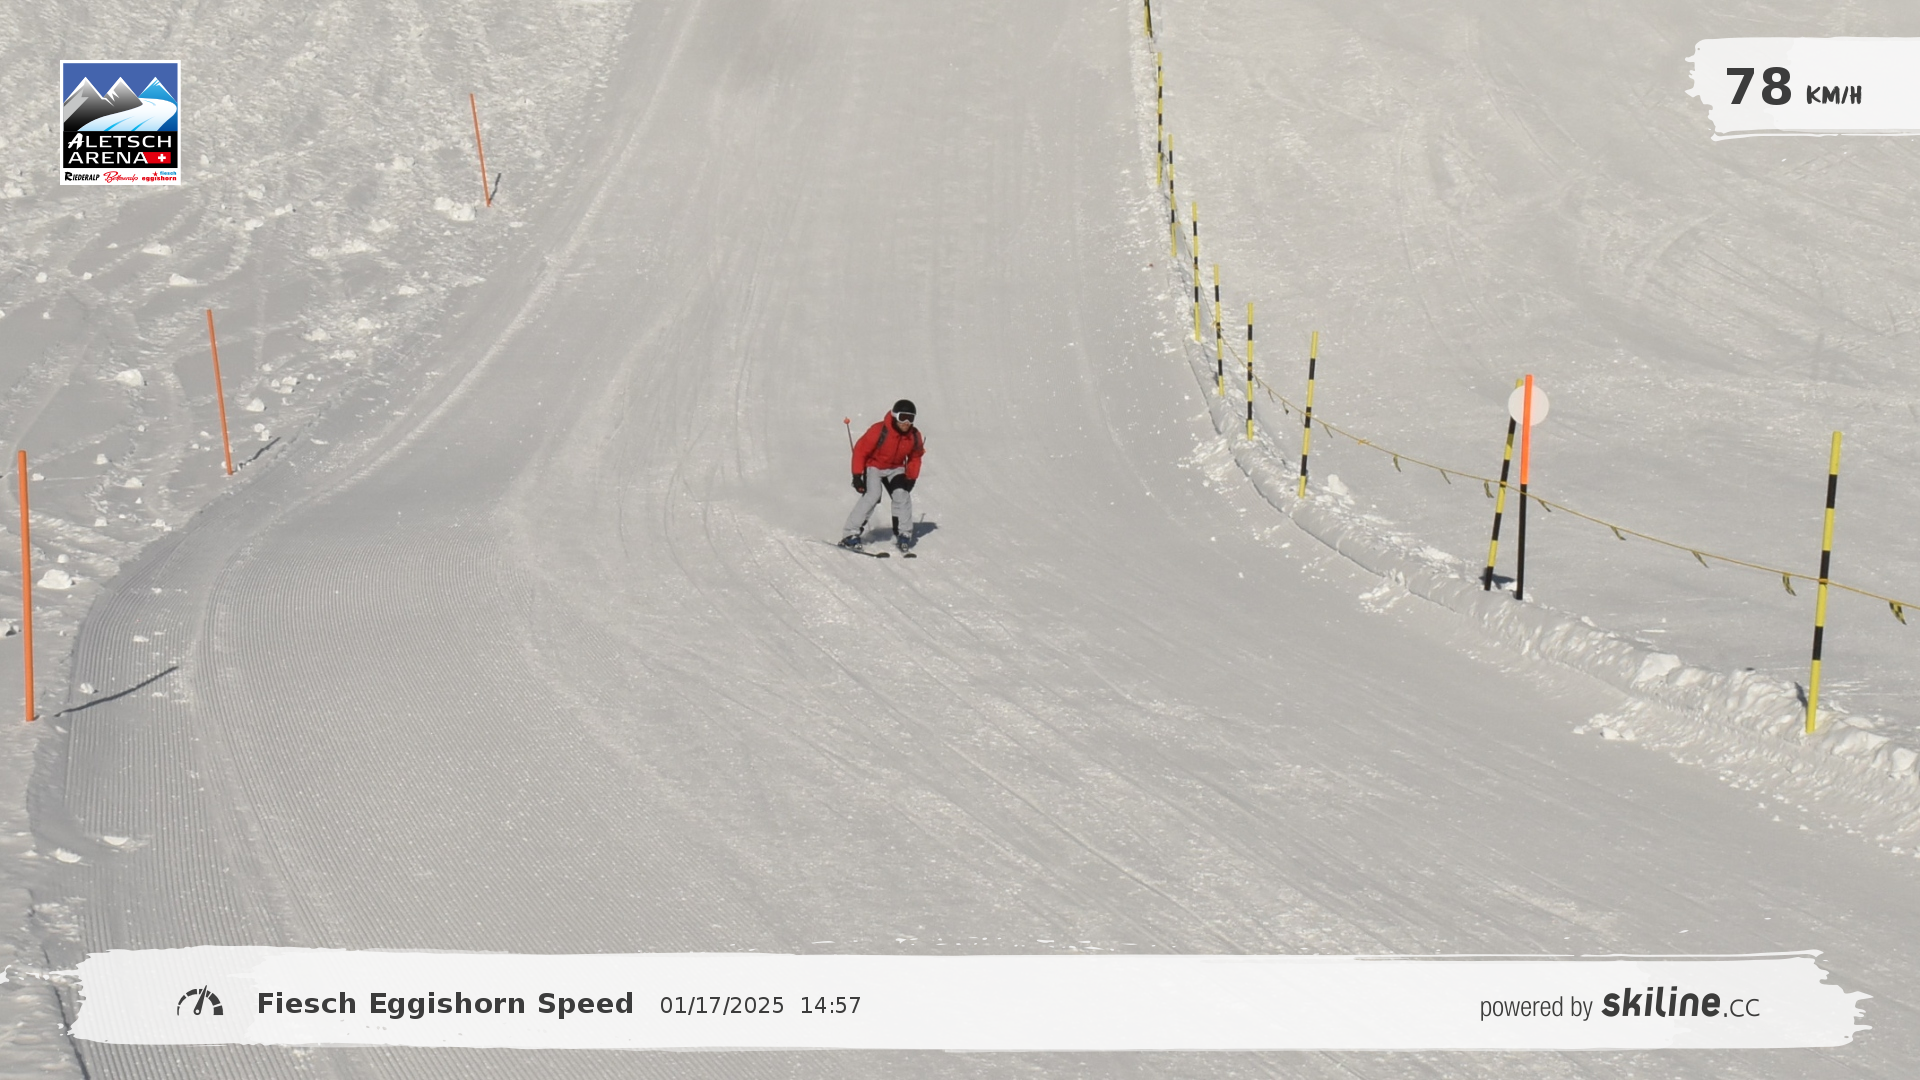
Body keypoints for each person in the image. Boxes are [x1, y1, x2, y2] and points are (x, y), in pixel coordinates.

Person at [841, 399, 924, 552]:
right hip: (874, 466)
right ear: (895, 416)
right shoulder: (879, 430)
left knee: (902, 495)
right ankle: (850, 534)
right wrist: (857, 475)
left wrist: (911, 478)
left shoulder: (914, 436)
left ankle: (904, 534)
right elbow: (860, 450)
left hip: (896, 468)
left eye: (910, 418)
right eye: (903, 417)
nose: (906, 422)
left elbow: (915, 457)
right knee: (873, 495)